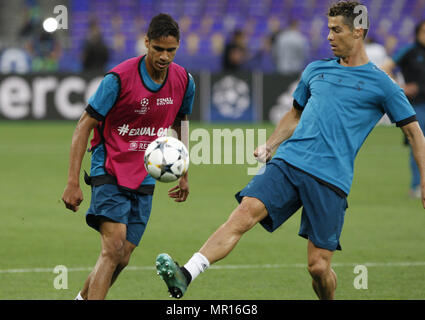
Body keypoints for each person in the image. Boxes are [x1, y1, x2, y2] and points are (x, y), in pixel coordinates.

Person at [155, 1, 425, 300]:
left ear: (358, 31)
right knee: (243, 214)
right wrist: (271, 146)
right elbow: (294, 115)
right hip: (289, 162)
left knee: (318, 268)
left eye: (337, 30)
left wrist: (424, 179)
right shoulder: (316, 70)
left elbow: (414, 133)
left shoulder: (382, 85)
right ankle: (187, 273)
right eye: (328, 29)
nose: (329, 37)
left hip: (330, 178)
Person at [61, 13, 195, 300]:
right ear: (146, 42)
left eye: (170, 50)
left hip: (145, 172)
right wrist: (73, 181)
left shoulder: (184, 80)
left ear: (178, 47)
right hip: (109, 166)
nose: (164, 56)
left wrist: (184, 174)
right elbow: (84, 124)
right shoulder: (119, 78)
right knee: (112, 248)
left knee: (122, 257)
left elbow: (181, 123)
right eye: (158, 48)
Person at [381, 20, 425, 198]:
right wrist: (400, 87)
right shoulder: (410, 50)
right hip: (416, 105)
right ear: (418, 32)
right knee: (419, 142)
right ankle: (416, 186)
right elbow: (385, 67)